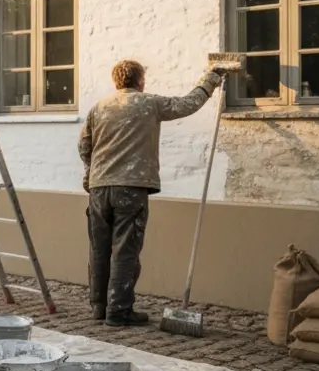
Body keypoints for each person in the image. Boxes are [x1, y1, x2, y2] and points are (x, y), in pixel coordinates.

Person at [78, 59, 223, 326]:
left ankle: (99, 306)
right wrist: (211, 79)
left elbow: (84, 146)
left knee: (99, 248)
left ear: (115, 81)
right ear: (141, 81)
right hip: (130, 188)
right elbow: (188, 104)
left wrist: (90, 173)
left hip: (99, 189)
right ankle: (119, 311)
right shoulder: (149, 103)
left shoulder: (98, 108)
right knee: (125, 249)